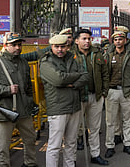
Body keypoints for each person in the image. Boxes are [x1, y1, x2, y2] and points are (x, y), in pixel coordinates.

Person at [0, 32, 37, 167]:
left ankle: (30, 164)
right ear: (5, 45)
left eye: (19, 45)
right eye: (13, 45)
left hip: (23, 111)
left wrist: (30, 104)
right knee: (2, 147)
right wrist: (6, 90)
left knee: (31, 140)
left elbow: (28, 87)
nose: (17, 48)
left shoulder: (23, 63)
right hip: (4, 112)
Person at [40, 34, 89, 167]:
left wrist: (73, 83)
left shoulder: (71, 59)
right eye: (57, 47)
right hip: (58, 108)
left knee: (71, 143)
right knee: (54, 145)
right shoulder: (46, 62)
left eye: (63, 46)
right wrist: (76, 76)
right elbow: (58, 79)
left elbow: (85, 76)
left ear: (67, 47)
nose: (60, 49)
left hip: (74, 106)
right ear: (51, 47)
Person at [72, 29, 110, 165]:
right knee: (74, 130)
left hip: (96, 96)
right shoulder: (71, 55)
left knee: (94, 129)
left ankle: (95, 155)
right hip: (78, 98)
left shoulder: (97, 53)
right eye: (84, 38)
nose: (87, 41)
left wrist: (104, 92)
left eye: (89, 38)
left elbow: (105, 74)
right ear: (76, 41)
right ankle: (72, 159)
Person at [104, 31, 130, 158]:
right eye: (116, 40)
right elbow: (104, 74)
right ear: (113, 42)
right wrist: (105, 91)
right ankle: (110, 146)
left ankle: (127, 144)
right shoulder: (108, 55)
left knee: (127, 120)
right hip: (112, 92)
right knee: (111, 122)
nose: (118, 41)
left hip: (127, 93)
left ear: (125, 40)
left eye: (121, 39)